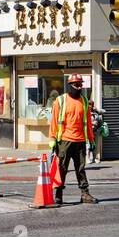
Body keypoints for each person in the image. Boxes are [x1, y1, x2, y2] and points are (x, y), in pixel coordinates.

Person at [47, 74, 96, 206]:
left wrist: (91, 140)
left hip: (80, 140)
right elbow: (54, 121)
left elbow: (88, 123)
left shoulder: (85, 101)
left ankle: (85, 193)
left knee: (80, 169)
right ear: (70, 86)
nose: (79, 87)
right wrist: (52, 138)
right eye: (77, 85)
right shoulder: (60, 101)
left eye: (81, 84)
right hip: (64, 141)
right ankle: (58, 195)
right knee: (61, 168)